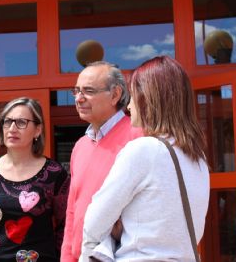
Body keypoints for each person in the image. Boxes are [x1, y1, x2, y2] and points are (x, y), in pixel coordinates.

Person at [81, 55, 210, 261]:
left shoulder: (144, 150)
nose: (129, 106)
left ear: (148, 99)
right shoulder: (198, 158)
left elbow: (95, 221)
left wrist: (88, 255)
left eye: (132, 97)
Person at [61, 61, 143, 262]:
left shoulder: (139, 137)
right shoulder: (80, 146)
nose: (79, 99)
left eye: (88, 91)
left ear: (115, 95)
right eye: (76, 91)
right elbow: (73, 209)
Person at [0, 97, 70, 262]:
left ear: (37, 130)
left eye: (21, 122)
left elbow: (66, 225)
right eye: (8, 121)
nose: (12, 128)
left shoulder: (54, 173)